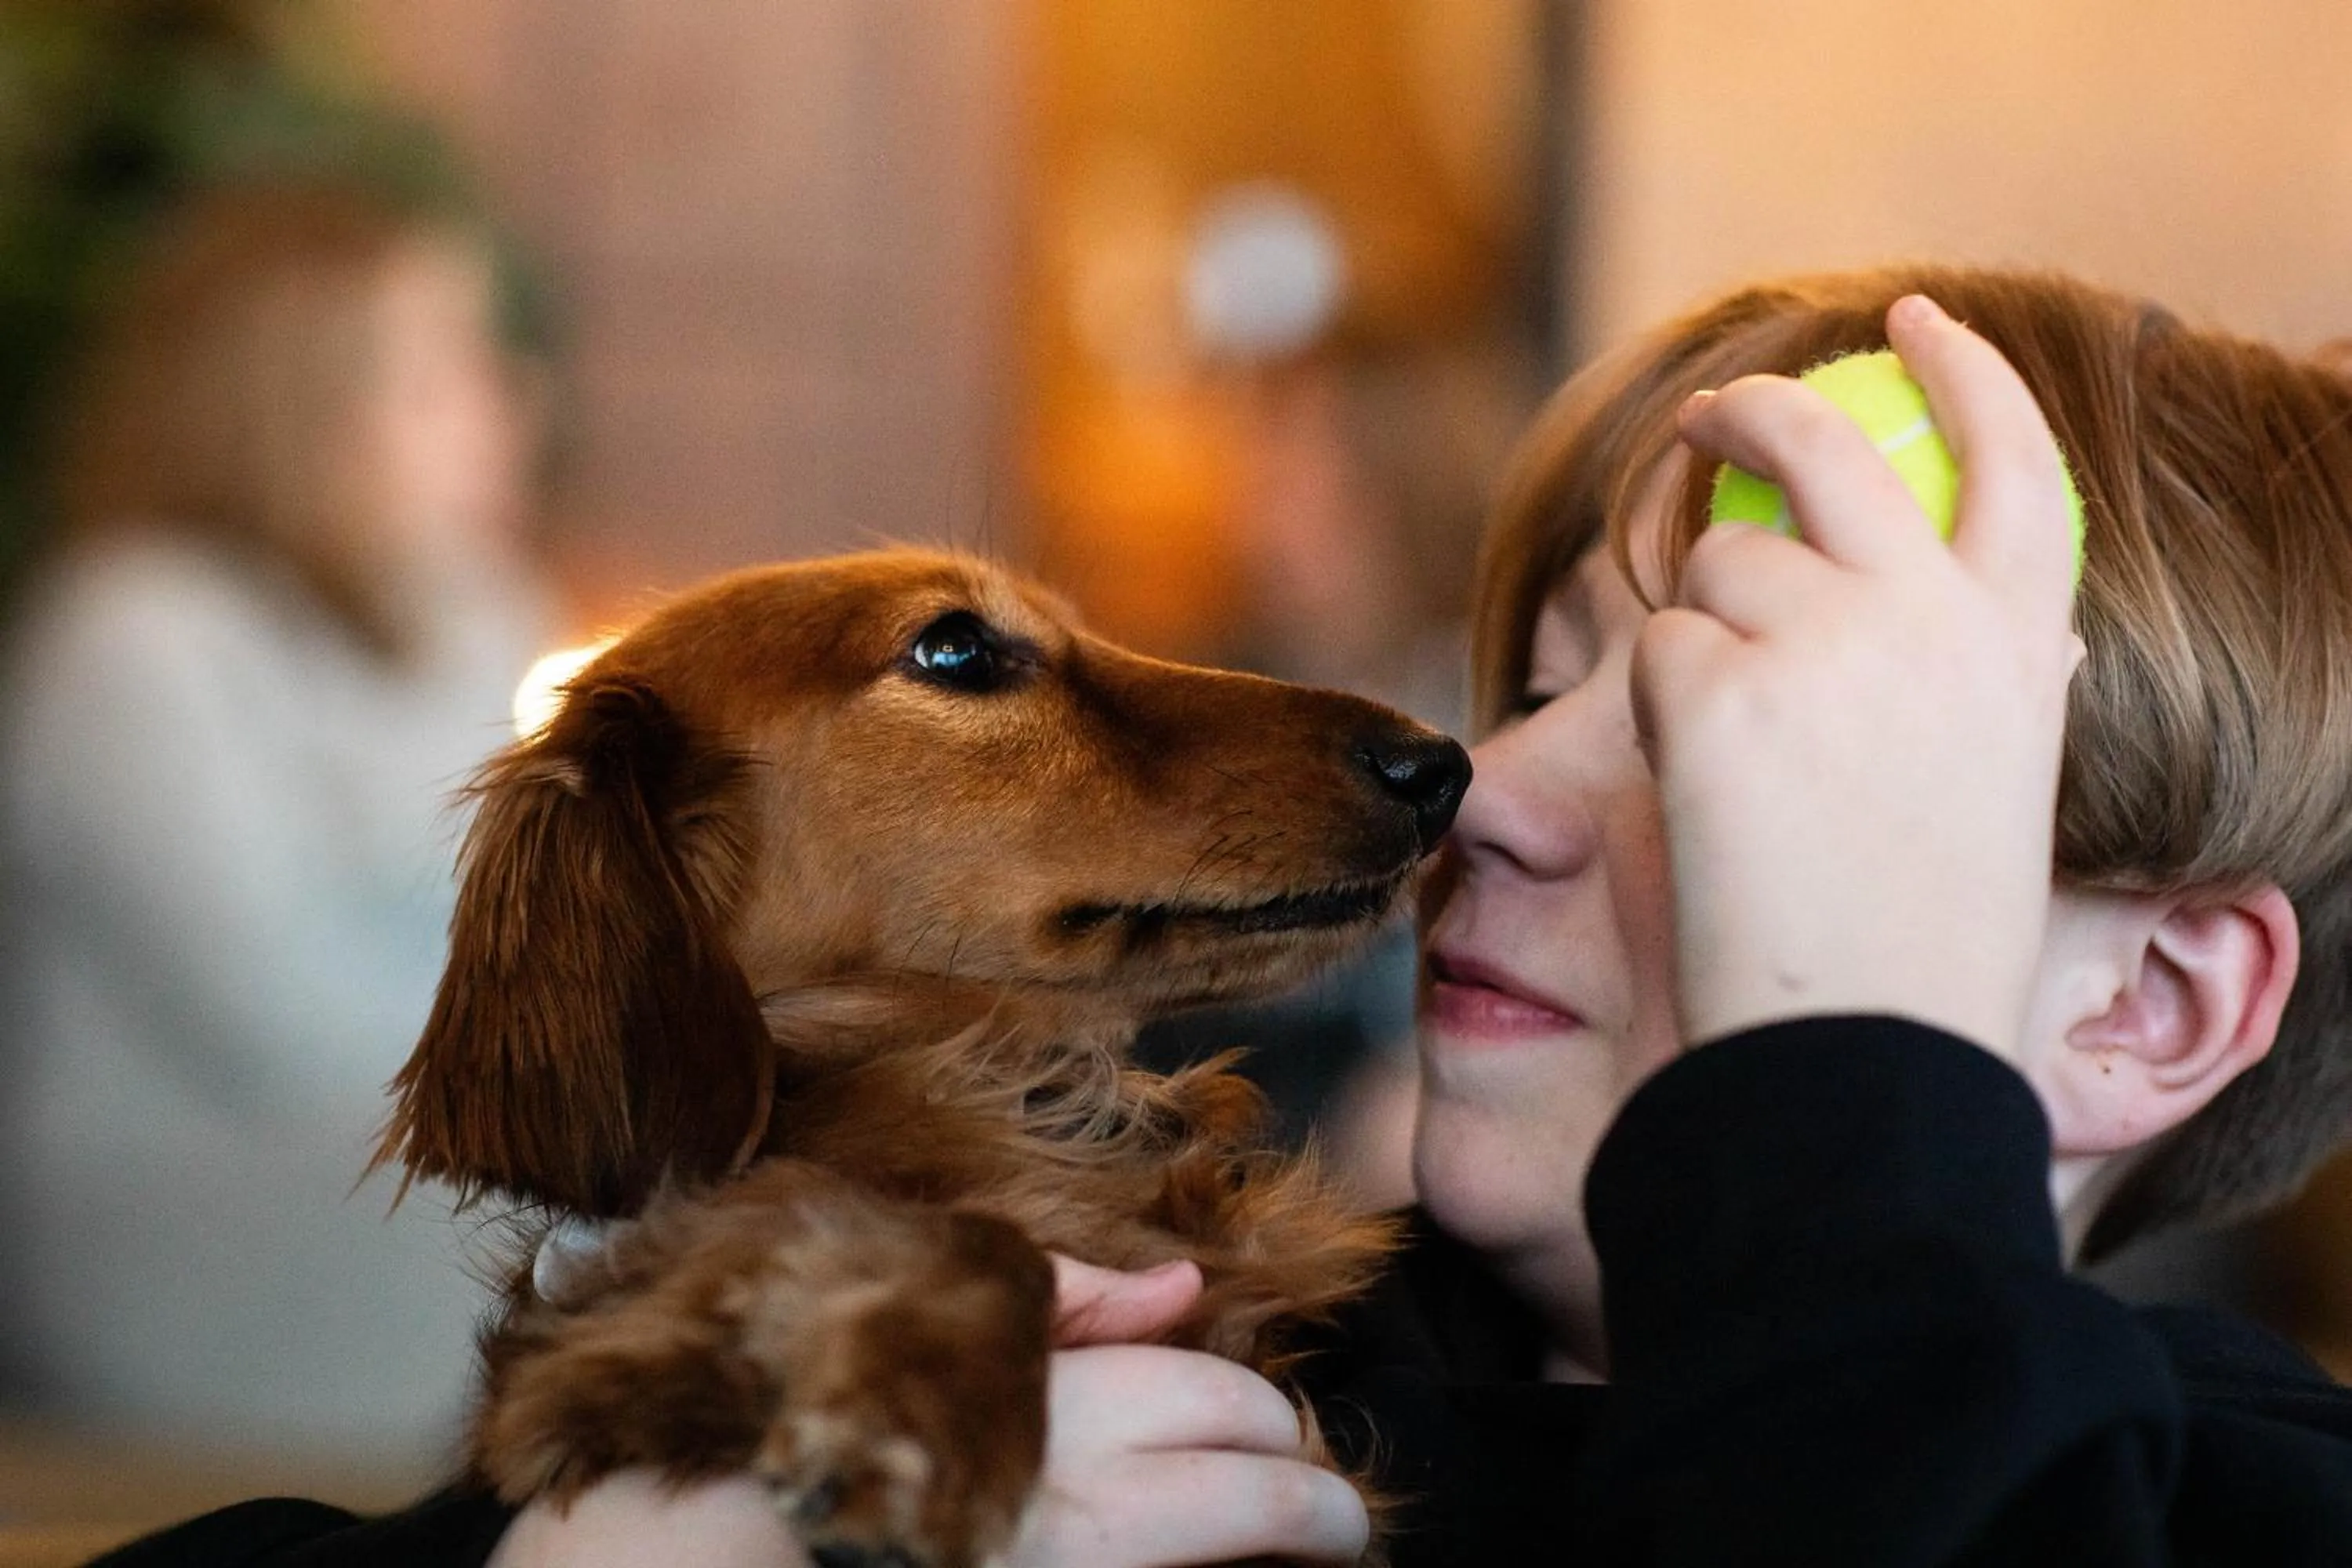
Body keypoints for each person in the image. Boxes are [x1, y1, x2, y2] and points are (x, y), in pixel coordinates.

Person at [93, 265, 2352, 1565]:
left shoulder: (2239, 1507)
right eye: (1541, 688)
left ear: (2154, 1008)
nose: (1493, 797)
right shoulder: (1126, 1331)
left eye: (1715, 739)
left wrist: (1845, 1110)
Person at [0, 180, 555, 1465]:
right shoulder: (135, 636)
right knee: (691, 1241)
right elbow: (282, 1017)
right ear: (302, 409)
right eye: (439, 369)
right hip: (201, 1224)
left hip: (427, 1170)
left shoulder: (472, 613)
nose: (504, 395)